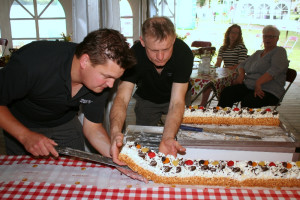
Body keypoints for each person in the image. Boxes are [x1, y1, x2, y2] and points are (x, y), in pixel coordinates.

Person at [0, 29, 136, 158]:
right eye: (106, 76)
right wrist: (25, 136)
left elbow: (93, 127)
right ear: (85, 61)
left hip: (64, 121)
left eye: (115, 79)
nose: (111, 85)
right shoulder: (32, 62)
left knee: (76, 171)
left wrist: (116, 158)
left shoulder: (102, 83)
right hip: (21, 122)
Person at [109, 16, 194, 165]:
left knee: (178, 138)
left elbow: (176, 102)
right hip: (147, 98)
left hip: (176, 97)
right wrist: (115, 132)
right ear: (142, 42)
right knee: (145, 140)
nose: (160, 57)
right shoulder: (133, 54)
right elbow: (122, 98)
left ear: (173, 39)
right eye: (154, 50)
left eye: (166, 49)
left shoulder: (184, 54)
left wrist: (167, 137)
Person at [217, 25, 289, 108]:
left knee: (248, 101)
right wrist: (241, 75)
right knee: (227, 92)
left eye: (271, 37)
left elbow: (275, 70)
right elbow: (242, 64)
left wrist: (258, 83)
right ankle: (223, 118)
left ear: (277, 38)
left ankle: (245, 120)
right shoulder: (258, 53)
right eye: (265, 36)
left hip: (269, 90)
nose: (267, 39)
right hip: (249, 86)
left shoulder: (279, 51)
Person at [199, 24, 248, 106]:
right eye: (232, 32)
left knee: (213, 82)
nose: (233, 35)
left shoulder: (241, 47)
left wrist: (227, 69)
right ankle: (203, 104)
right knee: (209, 80)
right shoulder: (223, 48)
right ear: (228, 33)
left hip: (236, 74)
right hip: (225, 72)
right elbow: (218, 62)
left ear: (239, 36)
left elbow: (241, 65)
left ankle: (221, 104)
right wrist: (214, 68)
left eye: (236, 33)